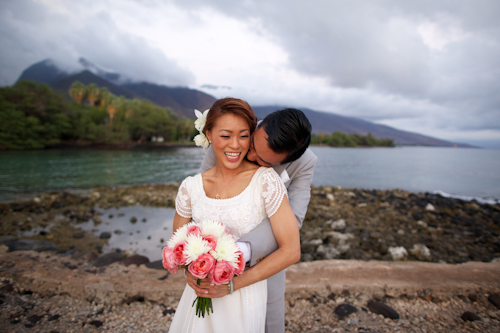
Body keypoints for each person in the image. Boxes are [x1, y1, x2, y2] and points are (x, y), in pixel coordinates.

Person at [169, 98, 301, 333]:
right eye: (225, 135)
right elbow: (178, 244)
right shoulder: (190, 187)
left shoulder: (266, 180)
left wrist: (231, 286)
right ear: (208, 134)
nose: (236, 145)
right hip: (199, 293)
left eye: (243, 135)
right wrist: (190, 273)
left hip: (244, 296)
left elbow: (291, 250)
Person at [194, 106, 318, 332]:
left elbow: (294, 219)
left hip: (265, 266)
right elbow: (200, 193)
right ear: (258, 127)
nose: (248, 156)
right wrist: (203, 256)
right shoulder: (232, 134)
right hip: (210, 258)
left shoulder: (304, 163)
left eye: (263, 161)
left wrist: (238, 252)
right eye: (251, 146)